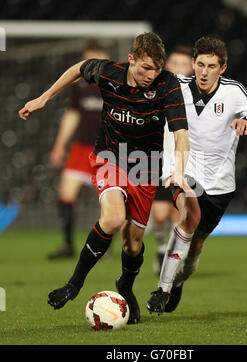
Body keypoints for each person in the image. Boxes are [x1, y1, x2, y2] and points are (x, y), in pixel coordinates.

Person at [19, 32, 195, 325]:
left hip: (145, 165)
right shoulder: (108, 72)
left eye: (156, 69)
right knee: (113, 219)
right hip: (109, 156)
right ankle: (73, 284)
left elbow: (181, 133)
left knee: (133, 246)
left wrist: (179, 169)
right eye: (145, 68)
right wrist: (43, 98)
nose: (151, 75)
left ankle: (125, 286)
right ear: (131, 59)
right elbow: (79, 67)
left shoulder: (168, 84)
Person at [147, 36, 247, 314]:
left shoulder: (234, 92)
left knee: (194, 250)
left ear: (222, 68)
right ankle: (162, 289)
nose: (204, 72)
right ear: (193, 64)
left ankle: (177, 282)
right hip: (183, 170)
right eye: (200, 64)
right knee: (188, 212)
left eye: (211, 66)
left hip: (219, 184)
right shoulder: (175, 86)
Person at [48, 41, 109, 259]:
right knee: (65, 195)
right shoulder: (80, 87)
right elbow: (72, 116)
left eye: (96, 59)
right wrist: (59, 145)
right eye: (87, 61)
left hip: (107, 152)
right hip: (82, 149)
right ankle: (68, 245)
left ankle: (105, 247)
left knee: (111, 200)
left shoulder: (114, 86)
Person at [151, 45, 194, 275]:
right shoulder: (155, 90)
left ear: (191, 68)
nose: (177, 69)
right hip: (156, 161)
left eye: (183, 64)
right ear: (167, 65)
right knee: (159, 215)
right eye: (174, 63)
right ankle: (160, 248)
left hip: (183, 162)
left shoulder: (197, 97)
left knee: (181, 215)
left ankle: (175, 258)